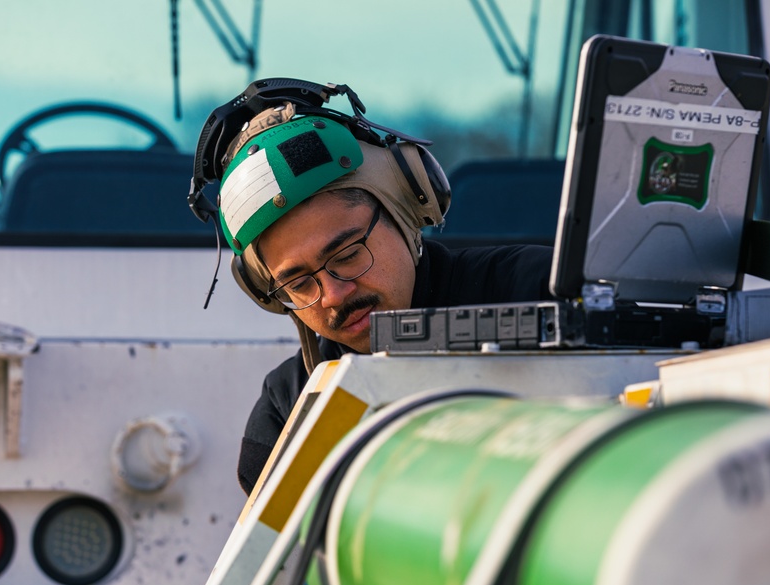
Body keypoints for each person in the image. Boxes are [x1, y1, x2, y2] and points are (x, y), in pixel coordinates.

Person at [188, 80, 555, 495]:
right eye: (298, 283)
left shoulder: (542, 291)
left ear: (408, 207)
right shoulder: (287, 409)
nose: (333, 295)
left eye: (346, 255)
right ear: (264, 291)